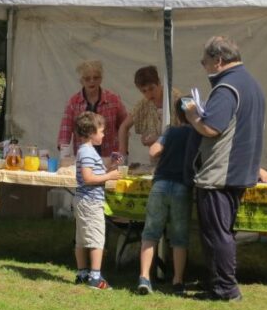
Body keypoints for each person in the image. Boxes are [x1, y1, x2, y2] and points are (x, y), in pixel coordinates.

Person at [184, 35, 266, 303]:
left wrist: (192, 114)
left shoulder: (227, 87)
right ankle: (220, 284)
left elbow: (211, 127)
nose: (203, 66)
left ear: (218, 61)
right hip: (240, 169)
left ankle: (225, 289)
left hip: (219, 172)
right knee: (224, 231)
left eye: (204, 61)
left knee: (217, 233)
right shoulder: (252, 84)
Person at [136, 98, 197, 297]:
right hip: (182, 185)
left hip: (160, 183)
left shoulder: (171, 131)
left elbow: (154, 151)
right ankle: (178, 280)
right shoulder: (198, 132)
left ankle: (144, 277)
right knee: (179, 237)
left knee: (150, 233)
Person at [73, 111, 121, 289]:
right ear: (91, 132)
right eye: (101, 131)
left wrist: (110, 166)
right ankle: (95, 277)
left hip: (83, 200)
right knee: (96, 239)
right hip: (90, 201)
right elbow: (88, 178)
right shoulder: (86, 152)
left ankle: (82, 273)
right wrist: (109, 176)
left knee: (81, 238)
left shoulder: (87, 151)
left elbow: (94, 170)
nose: (103, 134)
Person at [57, 59, 126, 156]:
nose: (92, 81)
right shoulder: (73, 102)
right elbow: (65, 131)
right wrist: (64, 155)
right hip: (84, 157)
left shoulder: (113, 100)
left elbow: (125, 126)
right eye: (87, 79)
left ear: (101, 79)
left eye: (95, 78)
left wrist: (123, 151)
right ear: (81, 81)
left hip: (109, 156)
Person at [118, 65, 182, 159]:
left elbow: (187, 133)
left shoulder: (176, 99)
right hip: (157, 160)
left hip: (179, 157)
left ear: (159, 83)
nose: (149, 94)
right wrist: (123, 156)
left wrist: (157, 139)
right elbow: (124, 127)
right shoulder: (144, 104)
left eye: (152, 88)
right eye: (144, 91)